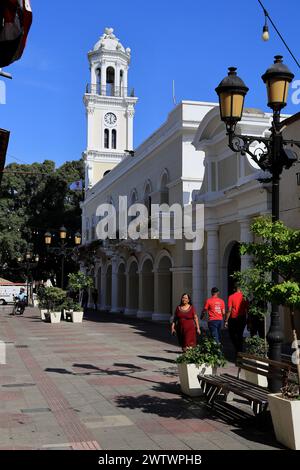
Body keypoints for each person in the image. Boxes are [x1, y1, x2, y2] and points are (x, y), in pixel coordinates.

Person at [225, 285, 248, 355]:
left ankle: (238, 349)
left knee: (232, 334)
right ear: (240, 289)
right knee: (240, 334)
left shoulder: (231, 297)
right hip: (242, 317)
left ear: (235, 289)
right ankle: (239, 350)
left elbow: (229, 310)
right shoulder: (244, 297)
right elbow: (247, 309)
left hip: (233, 318)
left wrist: (226, 320)